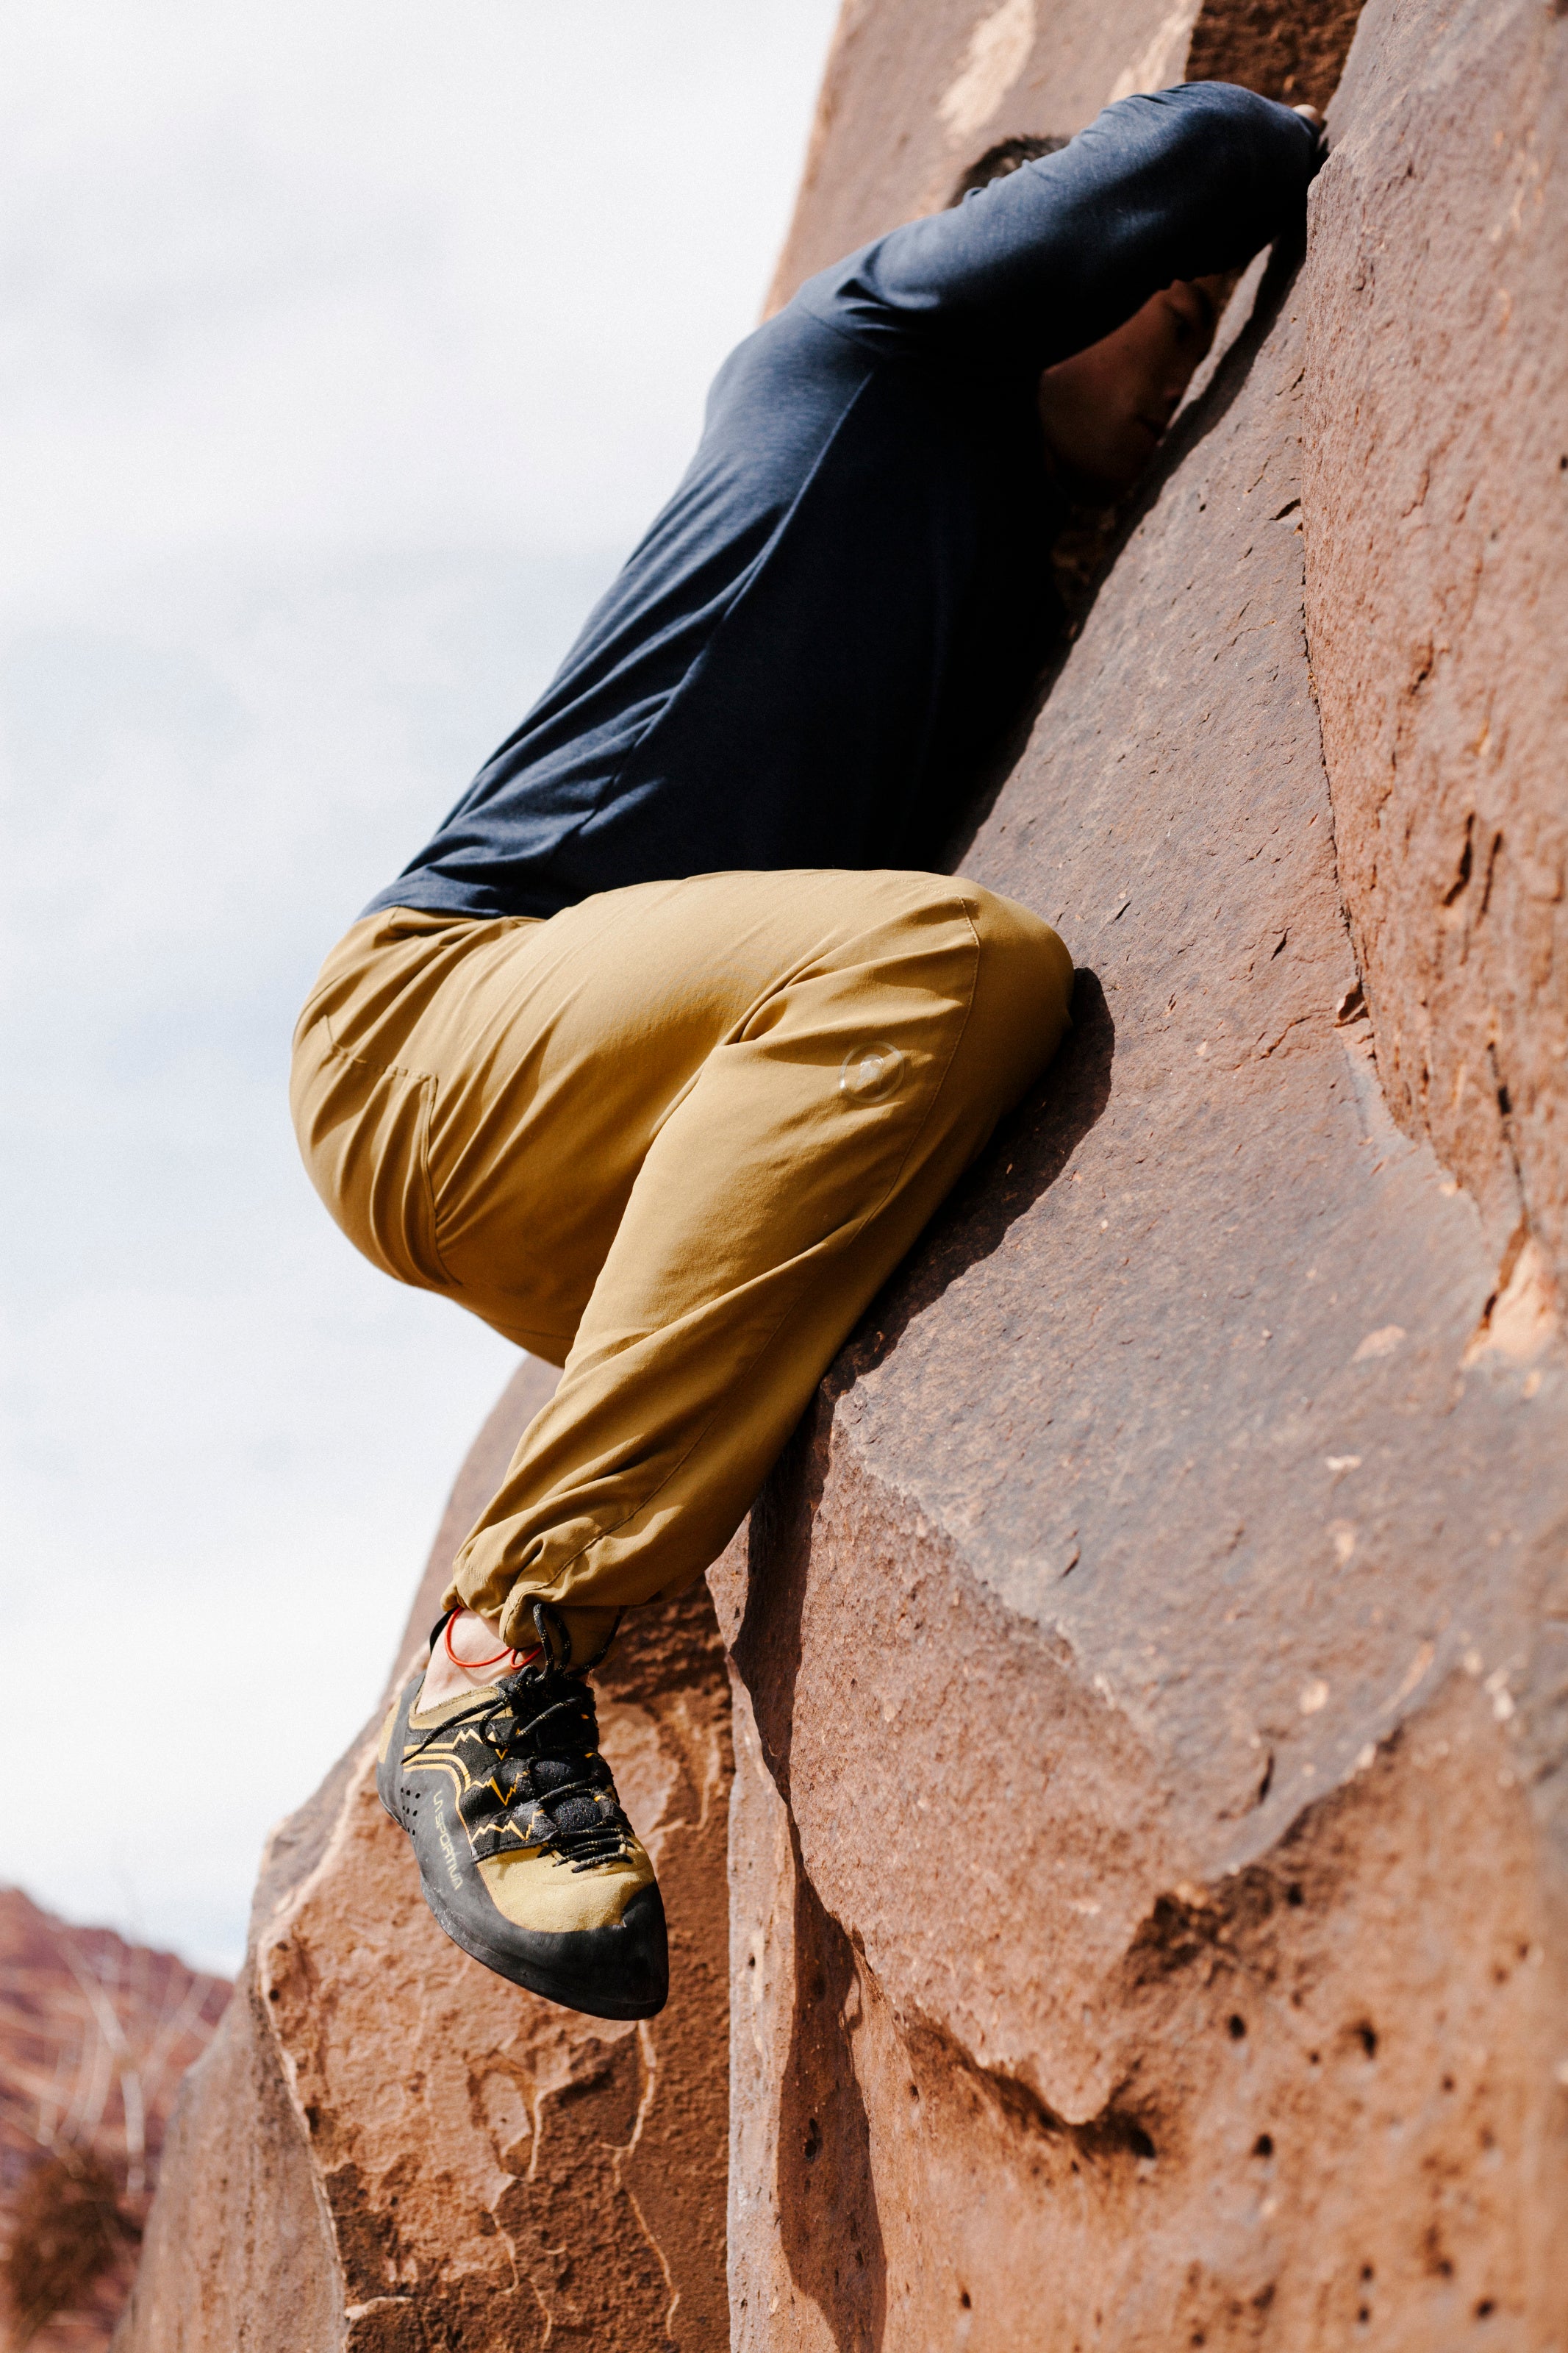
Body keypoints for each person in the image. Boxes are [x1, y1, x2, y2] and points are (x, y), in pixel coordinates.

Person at [291, 81, 1325, 2021]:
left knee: (900, 1280)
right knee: (950, 967)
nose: (1185, 353)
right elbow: (1197, 152)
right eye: (1169, 310)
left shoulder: (1009, 582)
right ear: (1046, 274)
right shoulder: (868, 349)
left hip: (620, 1156)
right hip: (434, 1022)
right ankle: (503, 1658)